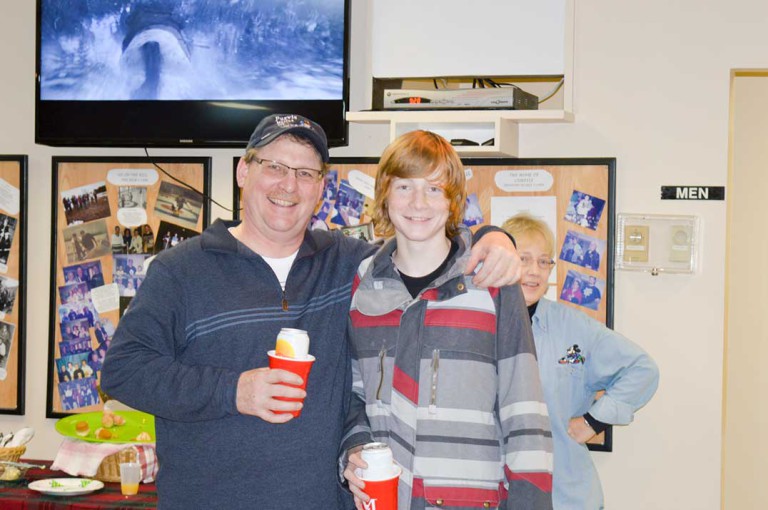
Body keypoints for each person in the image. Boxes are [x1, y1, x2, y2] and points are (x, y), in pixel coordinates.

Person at [101, 113, 522, 509]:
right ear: (244, 172)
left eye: (306, 174)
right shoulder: (180, 270)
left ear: (321, 188)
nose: (289, 185)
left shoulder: (352, 265)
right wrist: (234, 391)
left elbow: (423, 243)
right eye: (274, 167)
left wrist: (494, 237)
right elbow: (123, 371)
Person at [342, 131, 553, 510]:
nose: (418, 202)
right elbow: (354, 394)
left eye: (434, 189)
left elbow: (524, 413)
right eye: (404, 187)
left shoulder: (492, 281)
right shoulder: (364, 285)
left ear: (453, 200)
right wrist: (355, 446)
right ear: (384, 196)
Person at [501, 213, 659, 510]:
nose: (534, 271)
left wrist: (593, 421)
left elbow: (642, 369)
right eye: (524, 259)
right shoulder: (479, 327)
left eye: (543, 261)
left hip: (566, 497)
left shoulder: (573, 328)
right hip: (498, 495)